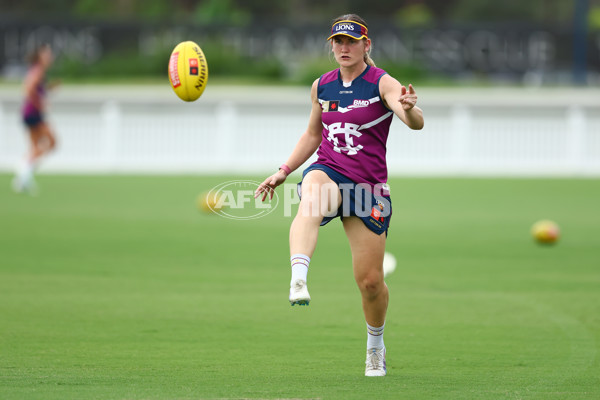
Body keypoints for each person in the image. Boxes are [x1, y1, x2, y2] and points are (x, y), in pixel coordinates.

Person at [255, 14, 424, 377]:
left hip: (369, 188)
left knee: (371, 283)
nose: (344, 48)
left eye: (351, 41)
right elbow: (313, 136)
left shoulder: (382, 82)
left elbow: (413, 119)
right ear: (331, 46)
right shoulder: (322, 86)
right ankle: (298, 277)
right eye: (338, 42)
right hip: (329, 170)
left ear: (367, 45)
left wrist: (410, 110)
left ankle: (375, 346)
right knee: (311, 198)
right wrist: (283, 171)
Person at [12, 43, 57, 194]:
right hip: (33, 112)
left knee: (35, 147)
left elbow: (37, 89)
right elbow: (29, 88)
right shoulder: (37, 71)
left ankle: (24, 177)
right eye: (47, 54)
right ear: (40, 56)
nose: (50, 57)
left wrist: (49, 89)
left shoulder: (38, 71)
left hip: (29, 112)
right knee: (51, 142)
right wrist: (40, 104)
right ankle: (23, 167)